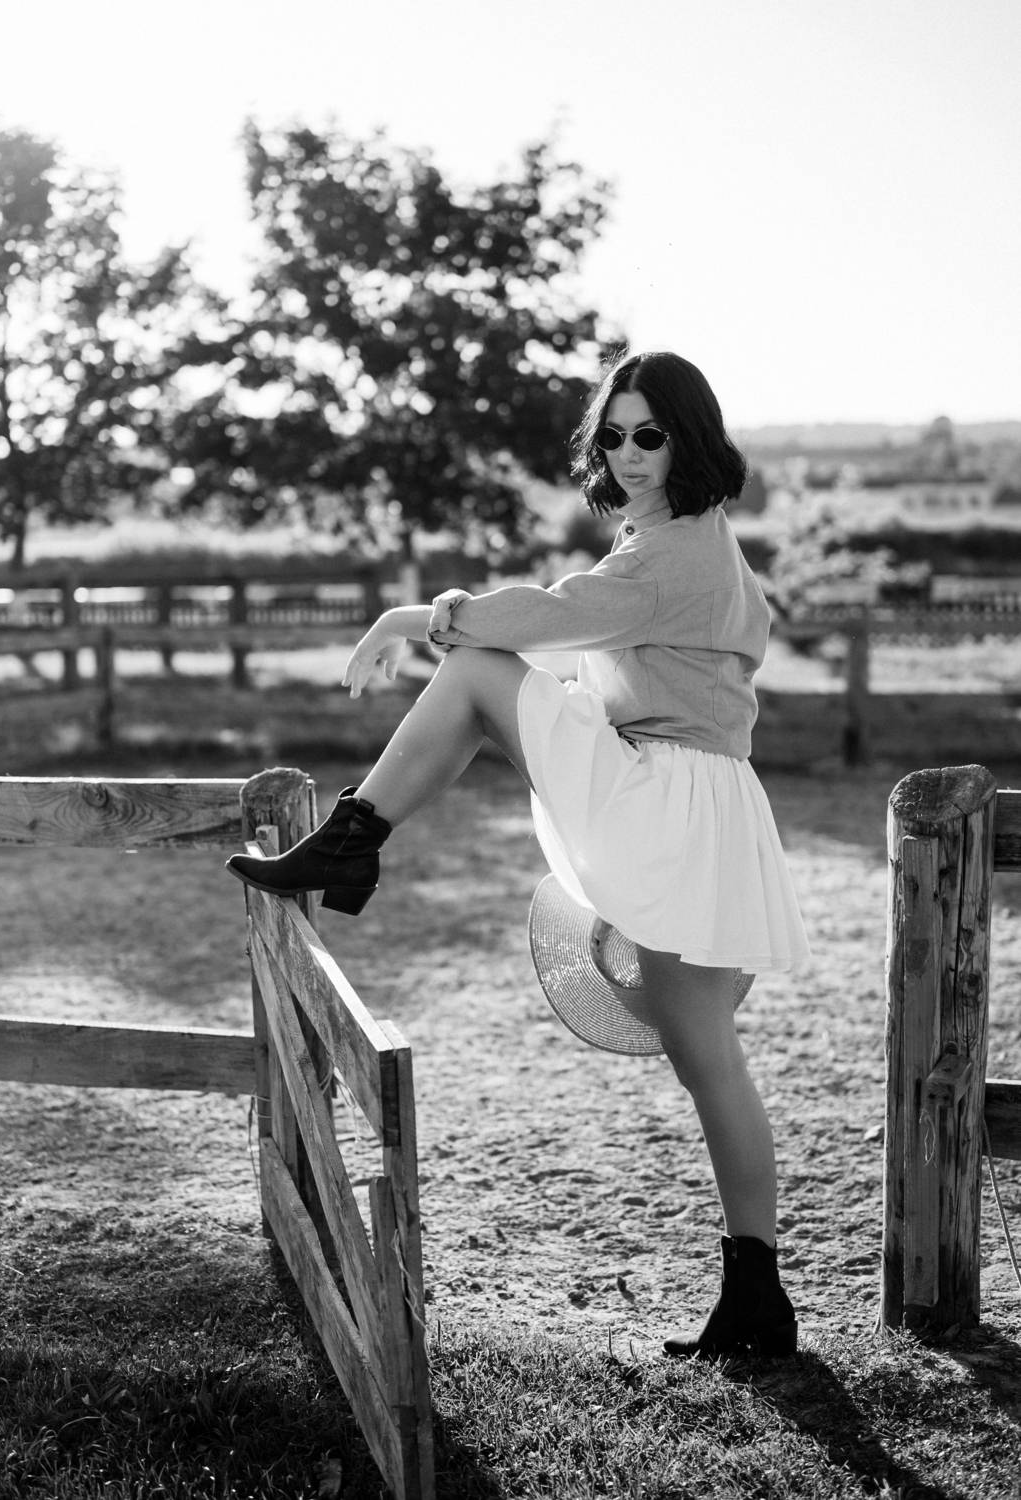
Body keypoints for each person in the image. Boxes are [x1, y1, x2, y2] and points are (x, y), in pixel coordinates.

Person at [227, 350, 810, 1359]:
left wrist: (409, 617)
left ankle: (355, 838)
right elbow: (580, 640)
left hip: (667, 793)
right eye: (613, 436)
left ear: (689, 439)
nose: (628, 455)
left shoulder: (669, 554)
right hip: (697, 800)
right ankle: (756, 1300)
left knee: (473, 672)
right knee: (704, 1055)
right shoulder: (687, 541)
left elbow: (543, 616)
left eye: (651, 435)